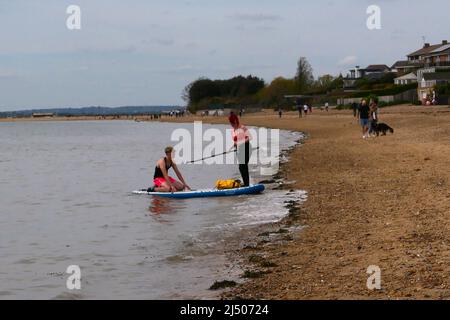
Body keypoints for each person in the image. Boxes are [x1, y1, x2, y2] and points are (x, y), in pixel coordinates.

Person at [229, 113, 252, 187]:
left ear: (235, 121)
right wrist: (234, 145)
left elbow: (250, 138)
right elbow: (236, 140)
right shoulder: (233, 130)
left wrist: (241, 142)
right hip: (238, 149)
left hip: (246, 147)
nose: (232, 125)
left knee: (243, 166)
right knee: (241, 167)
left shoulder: (242, 127)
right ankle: (246, 183)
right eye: (231, 123)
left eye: (232, 123)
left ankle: (246, 184)